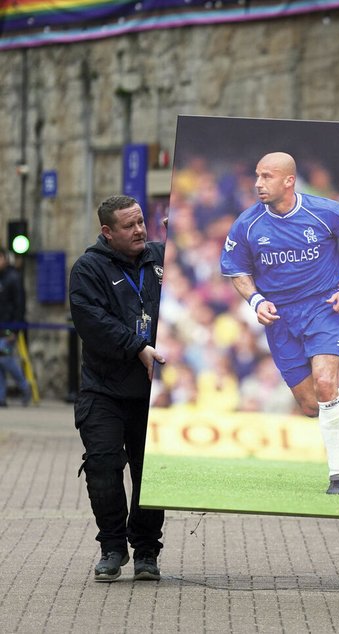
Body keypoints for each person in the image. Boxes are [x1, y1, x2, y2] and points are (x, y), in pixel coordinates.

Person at [220, 152, 339, 495]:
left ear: (289, 180)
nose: (258, 184)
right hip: (280, 318)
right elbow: (235, 268)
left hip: (325, 307)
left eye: (267, 177)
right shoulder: (247, 224)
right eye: (257, 176)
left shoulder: (326, 212)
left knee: (323, 384)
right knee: (310, 406)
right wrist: (255, 300)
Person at [69, 195, 167, 582]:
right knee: (103, 467)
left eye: (142, 221)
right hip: (104, 390)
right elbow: (92, 322)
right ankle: (112, 547)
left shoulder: (162, 260)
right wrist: (137, 347)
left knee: (151, 475)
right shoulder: (88, 269)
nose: (140, 230)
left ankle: (146, 551)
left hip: (152, 393)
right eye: (130, 226)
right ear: (108, 232)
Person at [0, 249, 30, 406]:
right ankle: (1, 397)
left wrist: (15, 329)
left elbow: (19, 305)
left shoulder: (13, 278)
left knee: (3, 358)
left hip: (9, 329)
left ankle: (25, 386)